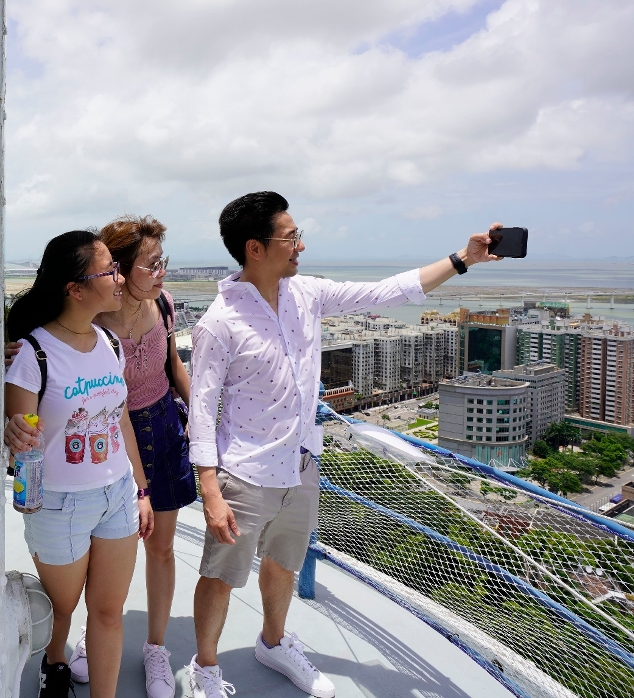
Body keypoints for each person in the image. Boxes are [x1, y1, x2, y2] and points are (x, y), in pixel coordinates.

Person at [184, 191, 504, 698]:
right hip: (244, 473)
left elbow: (386, 293)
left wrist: (463, 259)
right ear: (255, 248)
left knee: (284, 564)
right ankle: (205, 667)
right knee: (221, 576)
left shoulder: (306, 294)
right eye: (291, 237)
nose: (301, 246)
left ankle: (273, 642)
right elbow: (201, 412)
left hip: (301, 463)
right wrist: (210, 491)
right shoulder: (218, 323)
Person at [4, 230, 156, 698]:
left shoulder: (110, 343)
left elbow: (120, 419)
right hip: (59, 503)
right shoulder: (33, 354)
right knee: (63, 607)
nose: (119, 278)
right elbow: (21, 443)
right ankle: (55, 662)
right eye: (109, 270)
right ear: (75, 289)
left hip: (117, 495)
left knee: (108, 612)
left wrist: (141, 489)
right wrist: (10, 432)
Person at [61, 216, 194, 698]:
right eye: (151, 264)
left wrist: (202, 422)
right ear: (118, 269)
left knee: (161, 547)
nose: (161, 272)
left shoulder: (164, 304)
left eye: (162, 261)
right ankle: (94, 631)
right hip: (112, 435)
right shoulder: (94, 320)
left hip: (163, 426)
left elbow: (173, 364)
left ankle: (156, 647)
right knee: (106, 551)